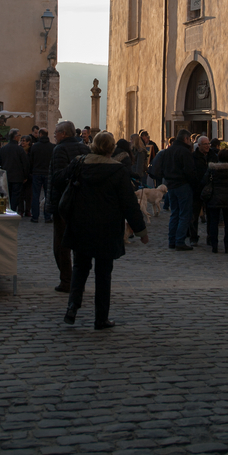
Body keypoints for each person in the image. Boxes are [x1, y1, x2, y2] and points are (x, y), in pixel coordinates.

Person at [61, 131, 148, 330]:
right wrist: (141, 230)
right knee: (103, 273)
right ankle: (101, 318)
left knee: (80, 268)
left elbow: (59, 180)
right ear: (111, 148)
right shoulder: (117, 171)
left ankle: (72, 307)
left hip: (81, 224)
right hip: (107, 227)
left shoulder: (80, 164)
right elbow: (129, 203)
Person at [49, 120, 90, 292]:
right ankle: (79, 279)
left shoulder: (60, 149)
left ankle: (67, 280)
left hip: (64, 203)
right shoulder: (85, 149)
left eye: (56, 132)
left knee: (61, 245)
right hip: (82, 202)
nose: (55, 135)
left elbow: (58, 178)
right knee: (80, 244)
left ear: (63, 134)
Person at [160, 129, 197, 251]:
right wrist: (194, 183)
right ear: (186, 139)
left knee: (174, 214)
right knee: (184, 214)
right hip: (182, 185)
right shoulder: (185, 151)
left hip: (171, 185)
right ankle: (180, 241)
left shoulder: (169, 150)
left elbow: (163, 167)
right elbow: (189, 171)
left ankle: (172, 241)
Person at [200, 147, 228, 253]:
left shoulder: (213, 169)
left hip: (214, 197)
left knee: (213, 222)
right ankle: (227, 246)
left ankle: (214, 245)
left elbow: (204, 181)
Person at [0, 129, 30, 217]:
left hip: (6, 176)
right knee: (15, 196)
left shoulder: (3, 149)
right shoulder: (19, 149)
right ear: (15, 137)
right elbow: (25, 164)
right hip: (17, 177)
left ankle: (7, 210)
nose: (19, 137)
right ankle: (12, 211)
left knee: (7, 195)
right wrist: (25, 176)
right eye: (19, 135)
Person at [187, 135, 213, 244]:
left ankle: (211, 237)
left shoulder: (213, 156)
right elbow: (191, 172)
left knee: (211, 215)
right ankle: (193, 237)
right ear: (199, 145)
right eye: (205, 144)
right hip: (197, 189)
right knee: (194, 215)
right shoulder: (193, 157)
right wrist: (197, 183)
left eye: (208, 144)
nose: (207, 146)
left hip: (210, 189)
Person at [29, 125, 55, 223]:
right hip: (48, 173)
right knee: (48, 196)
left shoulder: (35, 146)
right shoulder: (52, 147)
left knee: (35, 195)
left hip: (36, 173)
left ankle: (35, 216)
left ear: (40, 134)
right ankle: (47, 216)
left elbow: (31, 161)